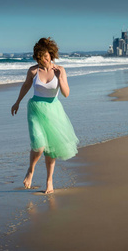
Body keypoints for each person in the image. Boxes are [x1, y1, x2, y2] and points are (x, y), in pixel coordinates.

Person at [11, 37, 79, 194]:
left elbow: (66, 94)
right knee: (39, 144)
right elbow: (26, 86)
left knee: (51, 149)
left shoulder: (60, 70)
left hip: (53, 110)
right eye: (41, 60)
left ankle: (49, 182)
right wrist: (17, 102)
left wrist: (60, 77)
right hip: (35, 109)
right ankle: (31, 170)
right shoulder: (33, 71)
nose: (44, 62)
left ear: (51, 55)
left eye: (46, 58)